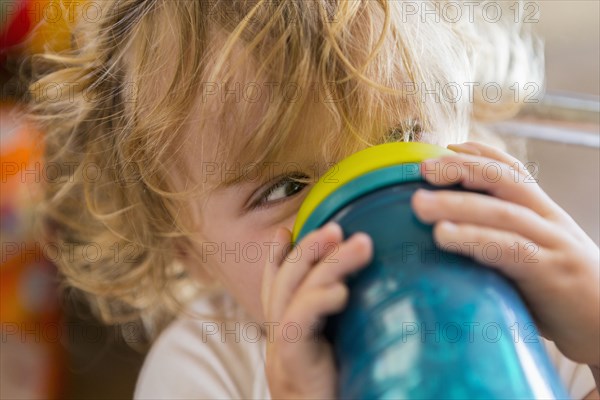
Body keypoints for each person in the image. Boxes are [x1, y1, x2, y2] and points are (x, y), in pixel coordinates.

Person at [28, 1, 599, 399]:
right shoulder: (202, 369)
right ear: (189, 251)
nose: (367, 201)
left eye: (401, 140)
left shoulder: (528, 298)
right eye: (285, 188)